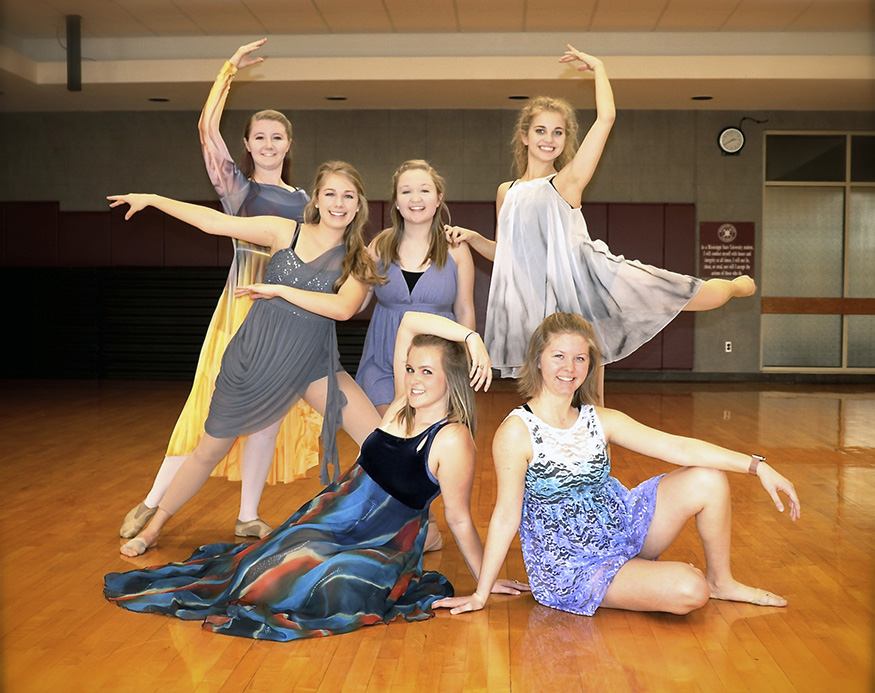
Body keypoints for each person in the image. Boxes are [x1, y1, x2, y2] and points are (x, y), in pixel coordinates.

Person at [104, 312, 523, 642]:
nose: (413, 379)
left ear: (452, 378)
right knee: (257, 566)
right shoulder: (400, 404)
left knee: (311, 576)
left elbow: (461, 520)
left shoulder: (452, 441)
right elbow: (410, 320)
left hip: (376, 547)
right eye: (411, 368)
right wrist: (471, 337)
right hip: (327, 515)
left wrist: (485, 584)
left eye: (426, 372)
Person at [109, 161, 391, 558]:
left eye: (348, 195)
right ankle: (154, 527)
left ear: (359, 203)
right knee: (208, 449)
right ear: (316, 199)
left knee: (382, 442)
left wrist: (279, 290)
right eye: (331, 193)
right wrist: (154, 199)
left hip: (311, 363)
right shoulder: (283, 230)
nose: (339, 203)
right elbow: (213, 223)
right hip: (255, 357)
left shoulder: (358, 257)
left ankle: (413, 527)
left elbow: (343, 309)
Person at [435, 312, 800, 617]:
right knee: (690, 590)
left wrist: (757, 466)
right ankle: (650, 579)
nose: (570, 367)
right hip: (573, 563)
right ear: (537, 360)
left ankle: (722, 580)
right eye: (558, 356)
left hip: (621, 526)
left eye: (580, 358)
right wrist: (481, 593)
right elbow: (505, 516)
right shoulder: (517, 432)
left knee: (708, 479)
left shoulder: (600, 419)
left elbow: (678, 448)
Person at [447, 46, 756, 381]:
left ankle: (738, 285)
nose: (549, 139)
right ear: (524, 136)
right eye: (540, 130)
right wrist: (476, 238)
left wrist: (599, 68)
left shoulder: (566, 182)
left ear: (566, 140)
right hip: (551, 297)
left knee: (697, 296)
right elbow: (509, 256)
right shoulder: (507, 192)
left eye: (558, 132)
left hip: (594, 276)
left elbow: (606, 118)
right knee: (573, 376)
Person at [119, 38, 321, 543]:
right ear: (248, 145)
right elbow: (207, 128)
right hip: (240, 308)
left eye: (278, 137)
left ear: (288, 145)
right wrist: (229, 70)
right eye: (261, 137)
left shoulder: (304, 199)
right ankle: (151, 503)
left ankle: (248, 514)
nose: (270, 144)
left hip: (289, 315)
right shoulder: (240, 191)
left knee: (270, 416)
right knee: (207, 408)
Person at [357, 160, 476, 416]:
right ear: (397, 201)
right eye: (406, 191)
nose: (415, 198)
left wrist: (466, 361)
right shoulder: (379, 245)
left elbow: (465, 309)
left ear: (438, 198)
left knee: (428, 440)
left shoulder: (456, 248)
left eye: (424, 190)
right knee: (391, 435)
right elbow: (357, 301)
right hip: (383, 361)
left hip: (438, 363)